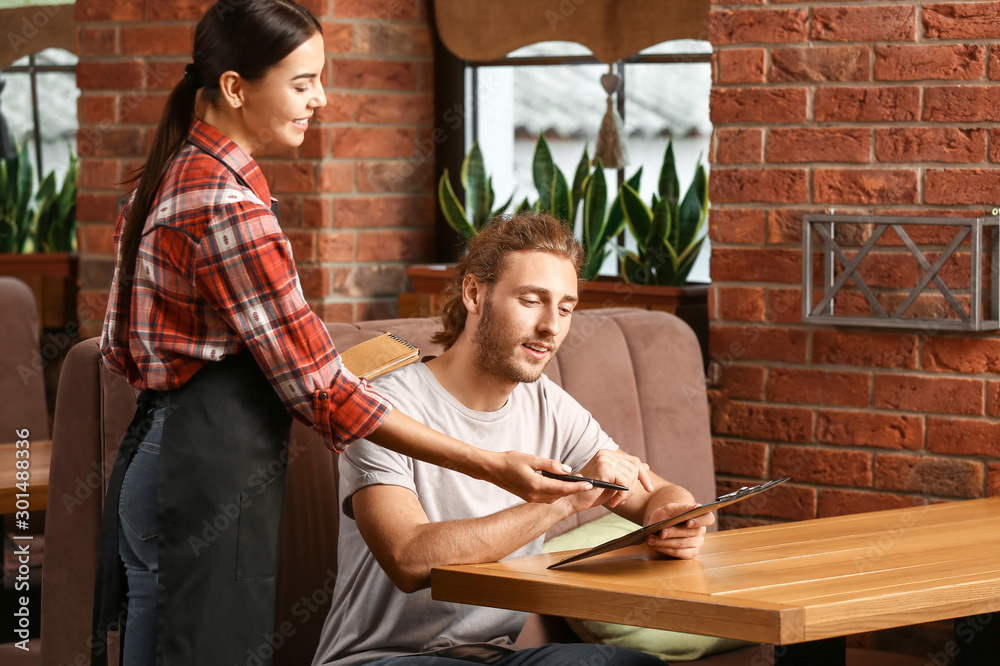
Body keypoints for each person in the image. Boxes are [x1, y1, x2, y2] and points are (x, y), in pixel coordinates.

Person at [94, 3, 587, 665]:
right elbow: (327, 397)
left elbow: (129, 352)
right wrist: (491, 464)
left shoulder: (167, 179)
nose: (320, 99)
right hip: (203, 477)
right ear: (237, 88)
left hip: (160, 458)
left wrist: (303, 363)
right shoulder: (228, 206)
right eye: (302, 83)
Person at [312, 212, 715, 666]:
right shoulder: (384, 408)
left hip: (492, 658)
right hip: (381, 659)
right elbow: (409, 558)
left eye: (565, 308)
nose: (551, 326)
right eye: (531, 300)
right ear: (473, 293)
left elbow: (654, 491)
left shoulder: (548, 405)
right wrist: (567, 500)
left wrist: (676, 517)